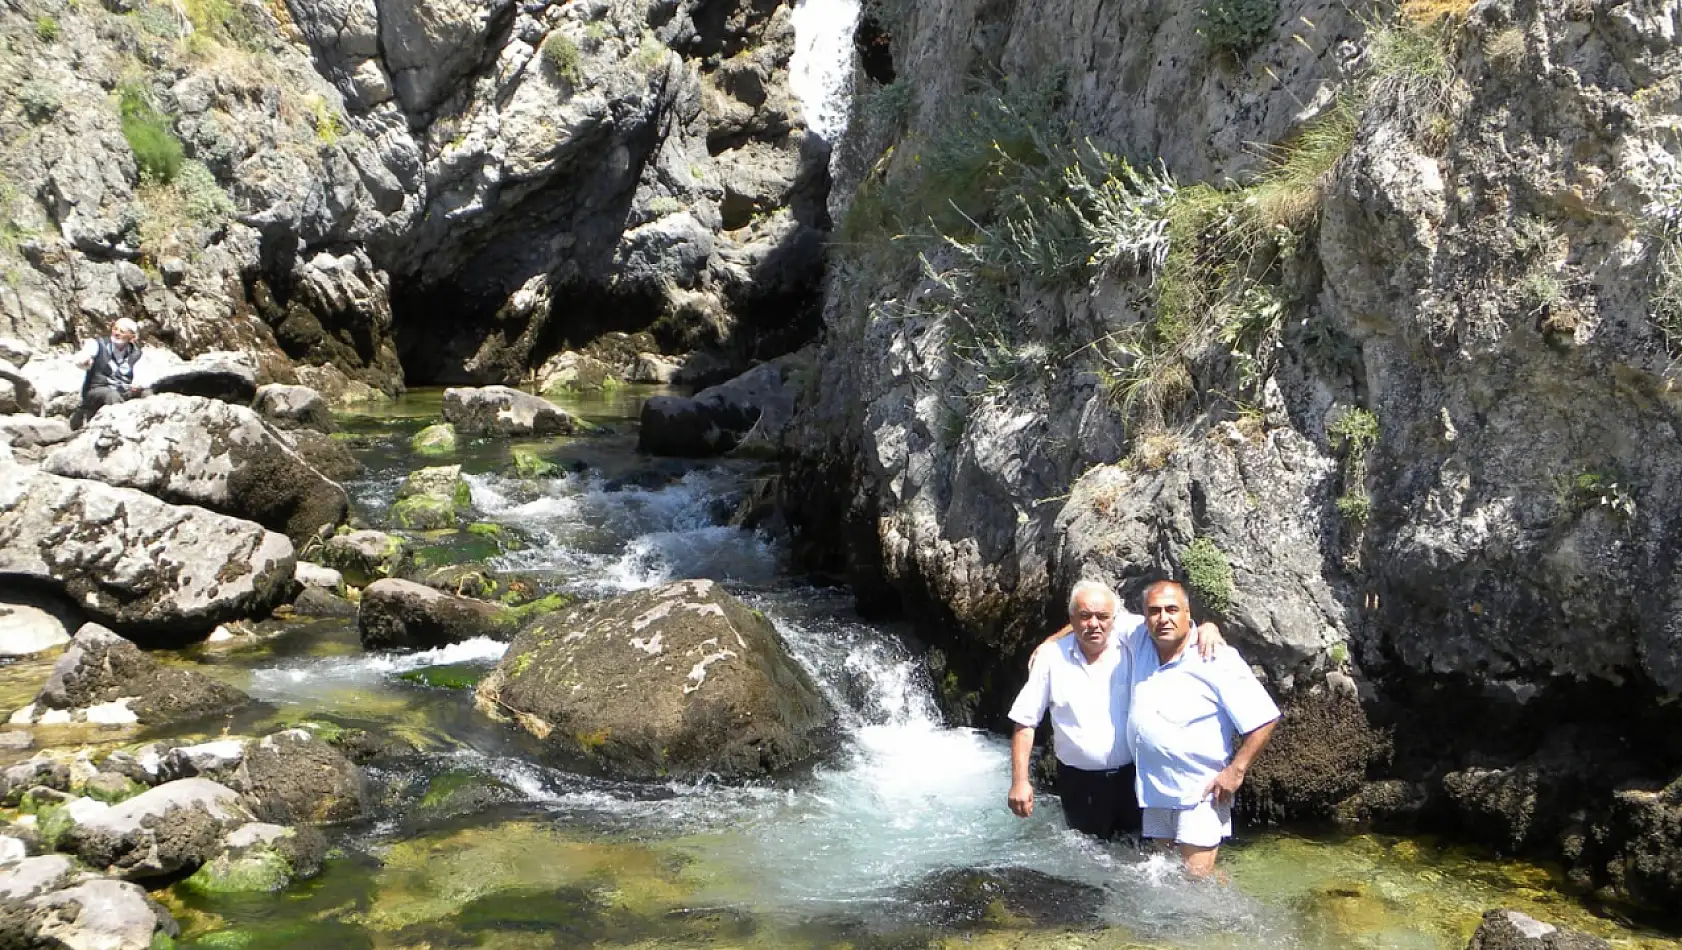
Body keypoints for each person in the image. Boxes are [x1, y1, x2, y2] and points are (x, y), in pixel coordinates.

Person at [1004, 580, 1224, 839]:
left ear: (1114, 618)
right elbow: (1025, 722)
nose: (1094, 624)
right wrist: (1020, 781)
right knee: (1088, 857)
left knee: (1146, 857)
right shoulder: (1051, 657)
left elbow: (1171, 627)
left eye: (1102, 617)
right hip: (1078, 783)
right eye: (1084, 617)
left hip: (1134, 777)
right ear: (1072, 619)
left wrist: (1207, 627)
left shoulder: (1134, 642)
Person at [1129, 580, 1280, 878]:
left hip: (1200, 792)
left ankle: (1227, 922)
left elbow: (1265, 718)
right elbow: (1094, 611)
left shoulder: (1215, 657)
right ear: (1145, 617)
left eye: (1172, 609)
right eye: (1155, 611)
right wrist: (1048, 643)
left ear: (1188, 613)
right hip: (1155, 790)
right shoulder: (1140, 641)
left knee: (1197, 878)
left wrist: (1236, 771)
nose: (1163, 618)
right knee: (1167, 875)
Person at [73, 318, 144, 427]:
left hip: (123, 390)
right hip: (96, 390)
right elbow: (80, 359)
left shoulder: (136, 353)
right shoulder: (98, 344)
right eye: (115, 329)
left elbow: (141, 375)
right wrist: (85, 361)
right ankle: (119, 426)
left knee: (147, 393)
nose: (117, 333)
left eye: (122, 331)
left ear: (132, 337)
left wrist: (137, 387)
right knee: (112, 395)